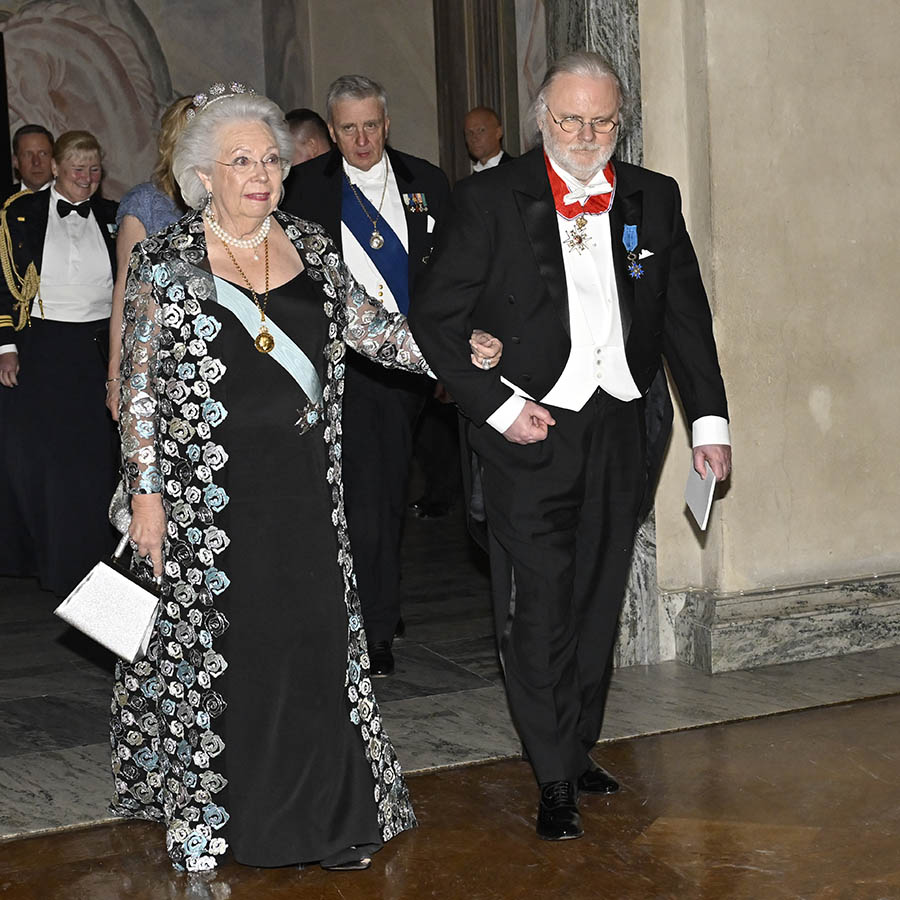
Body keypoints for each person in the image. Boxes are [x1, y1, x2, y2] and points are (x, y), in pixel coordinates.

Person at [110, 82, 501, 873]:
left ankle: (330, 815)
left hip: (303, 492)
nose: (262, 175)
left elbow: (377, 331)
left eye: (271, 161)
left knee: (314, 644)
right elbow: (140, 389)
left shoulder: (312, 247)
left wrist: (460, 352)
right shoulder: (165, 260)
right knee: (230, 653)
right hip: (206, 503)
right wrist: (146, 499)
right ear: (202, 174)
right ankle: (222, 819)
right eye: (241, 161)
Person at [410, 52, 732, 842]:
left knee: (597, 598)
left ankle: (578, 743)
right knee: (540, 608)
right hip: (531, 431)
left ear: (618, 122)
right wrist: (497, 406)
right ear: (541, 121)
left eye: (602, 121)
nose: (586, 135)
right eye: (569, 120)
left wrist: (709, 426)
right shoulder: (488, 199)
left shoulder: (654, 198)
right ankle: (552, 771)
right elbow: (435, 321)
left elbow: (686, 319)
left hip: (622, 427)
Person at [283, 75, 451, 677]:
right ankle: (364, 620)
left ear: (387, 123)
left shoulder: (426, 182)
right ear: (331, 131)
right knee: (352, 499)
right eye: (348, 128)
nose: (361, 138)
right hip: (332, 364)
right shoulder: (300, 187)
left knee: (379, 496)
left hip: (406, 366)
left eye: (371, 126)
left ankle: (374, 617)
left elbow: (450, 273)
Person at [0, 131, 119, 595]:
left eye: (94, 171)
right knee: (47, 462)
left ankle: (93, 562)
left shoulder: (112, 215)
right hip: (43, 345)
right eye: (77, 171)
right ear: (55, 169)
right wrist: (5, 345)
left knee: (94, 458)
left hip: (97, 347)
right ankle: (54, 562)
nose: (87, 181)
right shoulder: (19, 213)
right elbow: (4, 282)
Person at [105, 96, 193, 420]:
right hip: (159, 361)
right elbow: (123, 295)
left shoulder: (226, 208)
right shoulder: (146, 204)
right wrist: (115, 379)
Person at [464, 106, 514, 172]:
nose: (474, 138)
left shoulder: (519, 170)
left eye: (481, 130)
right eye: (469, 133)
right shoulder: (468, 181)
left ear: (498, 133)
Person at [9, 124, 54, 194]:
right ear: (15, 161)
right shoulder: (5, 199)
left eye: (43, 154)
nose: (36, 162)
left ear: (54, 159)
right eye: (28, 154)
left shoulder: (72, 199)